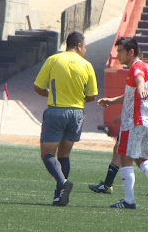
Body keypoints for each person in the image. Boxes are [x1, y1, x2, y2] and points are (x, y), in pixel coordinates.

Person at [96, 37, 148, 209]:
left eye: (120, 52)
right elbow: (131, 95)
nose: (118, 56)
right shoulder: (147, 67)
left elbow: (139, 81)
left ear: (131, 52)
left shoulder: (136, 67)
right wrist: (112, 100)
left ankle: (129, 200)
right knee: (142, 158)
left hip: (134, 122)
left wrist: (140, 88)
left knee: (125, 157)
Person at [34, 31, 98, 206]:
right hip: (77, 113)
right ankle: (59, 195)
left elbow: (38, 87)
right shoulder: (87, 65)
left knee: (47, 154)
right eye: (85, 46)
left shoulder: (53, 60)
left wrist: (50, 94)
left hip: (56, 111)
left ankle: (62, 183)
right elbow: (92, 96)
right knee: (64, 154)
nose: (85, 50)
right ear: (78, 46)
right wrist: (77, 98)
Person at [88, 117, 148, 196]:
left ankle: (127, 198)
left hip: (135, 121)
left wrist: (124, 114)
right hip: (147, 121)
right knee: (146, 153)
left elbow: (139, 102)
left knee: (132, 156)